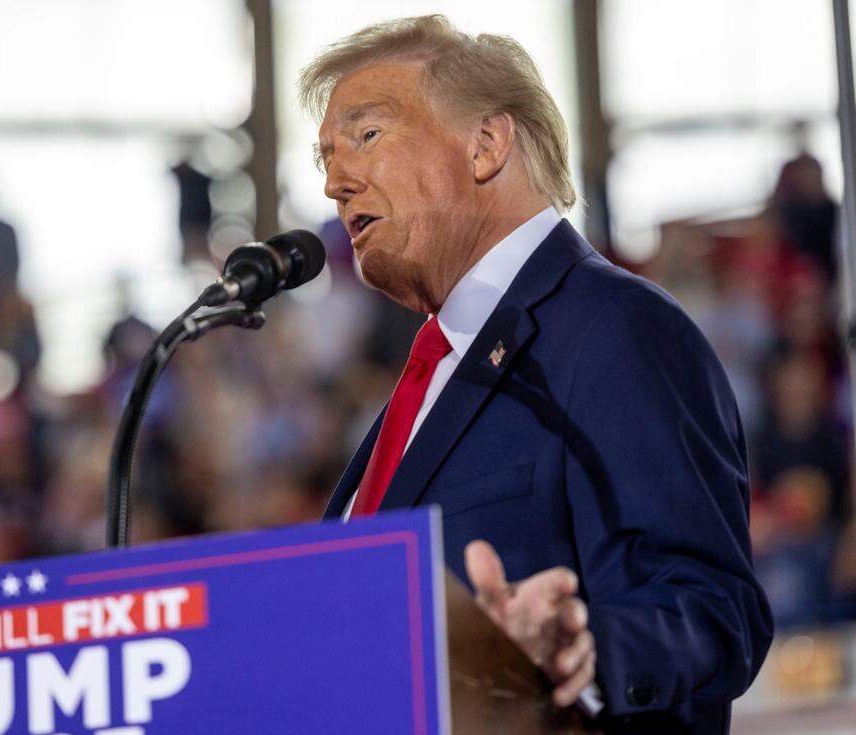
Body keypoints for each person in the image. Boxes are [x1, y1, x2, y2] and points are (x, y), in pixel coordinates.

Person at [301, 15, 772, 732]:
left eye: (366, 136)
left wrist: (583, 652)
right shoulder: (436, 370)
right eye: (324, 158)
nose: (336, 182)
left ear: (486, 144)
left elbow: (711, 608)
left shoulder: (614, 328)